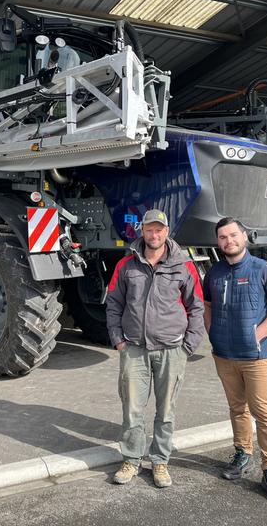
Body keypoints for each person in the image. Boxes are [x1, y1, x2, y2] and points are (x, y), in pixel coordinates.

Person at [106, 209, 205, 488]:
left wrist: (189, 345)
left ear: (167, 231)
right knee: (132, 409)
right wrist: (119, 340)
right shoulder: (126, 266)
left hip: (172, 350)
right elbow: (113, 303)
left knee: (166, 411)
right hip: (134, 348)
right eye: (149, 229)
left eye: (159, 229)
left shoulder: (183, 266)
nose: (154, 234)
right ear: (142, 231)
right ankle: (131, 459)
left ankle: (160, 461)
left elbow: (196, 306)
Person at [203, 217, 267, 505]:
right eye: (222, 237)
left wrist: (258, 335)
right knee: (237, 408)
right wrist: (212, 332)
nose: (228, 241)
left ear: (244, 236)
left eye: (233, 235)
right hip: (224, 355)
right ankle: (242, 454)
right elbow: (206, 306)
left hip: (257, 358)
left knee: (264, 414)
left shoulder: (262, 270)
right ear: (218, 242)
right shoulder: (214, 273)